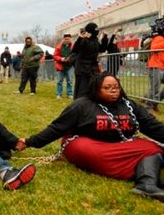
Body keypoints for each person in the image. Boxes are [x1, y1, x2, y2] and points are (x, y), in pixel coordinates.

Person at [17, 71, 164, 201]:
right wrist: (29, 142)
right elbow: (56, 128)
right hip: (90, 145)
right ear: (96, 89)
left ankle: (147, 184)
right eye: (107, 88)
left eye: (116, 87)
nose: (113, 91)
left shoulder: (130, 105)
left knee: (153, 147)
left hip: (121, 146)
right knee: (83, 148)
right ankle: (137, 168)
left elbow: (152, 126)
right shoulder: (81, 105)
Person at [72, 22, 107, 99]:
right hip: (82, 68)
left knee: (93, 87)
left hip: (92, 68)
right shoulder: (83, 39)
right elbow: (75, 49)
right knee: (81, 89)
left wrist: (104, 38)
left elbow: (102, 49)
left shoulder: (95, 40)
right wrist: (81, 38)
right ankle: (80, 105)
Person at [144, 22, 164, 112]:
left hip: (161, 66)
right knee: (154, 88)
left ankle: (155, 102)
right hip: (155, 66)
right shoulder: (158, 38)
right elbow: (154, 48)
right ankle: (149, 107)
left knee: (154, 88)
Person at [53, 33, 74, 99]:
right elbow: (55, 56)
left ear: (70, 39)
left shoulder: (73, 46)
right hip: (60, 66)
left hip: (70, 66)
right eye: (65, 39)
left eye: (68, 39)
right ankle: (59, 94)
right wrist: (61, 59)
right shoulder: (59, 46)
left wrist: (70, 59)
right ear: (63, 39)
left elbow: (75, 54)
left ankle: (70, 93)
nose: (67, 40)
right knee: (59, 81)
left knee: (70, 81)